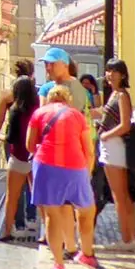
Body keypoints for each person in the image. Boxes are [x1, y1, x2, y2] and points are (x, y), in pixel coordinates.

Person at [27, 85, 101, 269]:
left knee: (52, 215)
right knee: (86, 211)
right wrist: (88, 171)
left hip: (46, 166)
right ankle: (87, 254)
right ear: (67, 99)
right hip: (75, 166)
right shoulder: (77, 115)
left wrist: (43, 156)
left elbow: (29, 144)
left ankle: (58, 264)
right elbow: (89, 149)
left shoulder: (38, 113)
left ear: (50, 98)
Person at [39, 48, 97, 256]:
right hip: (61, 156)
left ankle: (82, 250)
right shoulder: (55, 87)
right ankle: (70, 246)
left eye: (52, 63)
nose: (48, 67)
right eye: (46, 63)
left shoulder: (74, 89)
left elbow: (73, 123)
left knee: (78, 205)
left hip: (75, 155)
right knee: (63, 204)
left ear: (64, 64)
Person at [95, 58, 135, 250]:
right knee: (123, 196)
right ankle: (129, 237)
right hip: (111, 148)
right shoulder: (114, 94)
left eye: (114, 71)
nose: (110, 74)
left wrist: (105, 134)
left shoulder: (121, 96)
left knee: (119, 195)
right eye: (108, 71)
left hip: (114, 148)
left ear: (123, 75)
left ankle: (126, 240)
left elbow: (125, 124)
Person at [0, 59, 38, 243]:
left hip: (17, 153)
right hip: (35, 154)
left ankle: (12, 228)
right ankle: (35, 221)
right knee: (37, 191)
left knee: (12, 193)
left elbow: (2, 124)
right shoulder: (38, 103)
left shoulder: (11, 102)